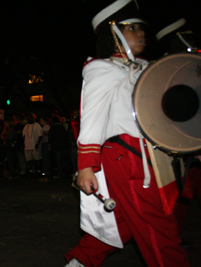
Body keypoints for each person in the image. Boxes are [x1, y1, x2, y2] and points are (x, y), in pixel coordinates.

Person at [64, 1, 189, 266]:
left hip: (152, 157)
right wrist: (86, 166)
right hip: (127, 158)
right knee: (158, 228)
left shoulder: (149, 69)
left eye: (141, 27)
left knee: (123, 221)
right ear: (114, 33)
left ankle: (79, 262)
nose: (141, 33)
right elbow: (92, 119)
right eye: (132, 28)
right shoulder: (102, 69)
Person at [155, 17, 201, 236]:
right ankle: (173, 235)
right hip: (182, 144)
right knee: (181, 194)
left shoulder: (190, 64)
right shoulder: (169, 70)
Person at [22, 113, 43, 177]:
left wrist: (37, 143)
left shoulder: (37, 125)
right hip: (27, 146)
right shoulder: (26, 126)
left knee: (37, 159)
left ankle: (38, 171)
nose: (30, 119)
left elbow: (40, 136)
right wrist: (24, 144)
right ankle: (31, 171)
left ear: (34, 118)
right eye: (29, 118)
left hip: (35, 146)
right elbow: (23, 136)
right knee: (29, 160)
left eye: (31, 117)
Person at [38, 116, 51, 180]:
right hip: (43, 143)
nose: (40, 122)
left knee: (46, 157)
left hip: (45, 143)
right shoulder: (42, 127)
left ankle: (46, 170)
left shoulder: (47, 127)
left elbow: (48, 132)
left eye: (41, 120)